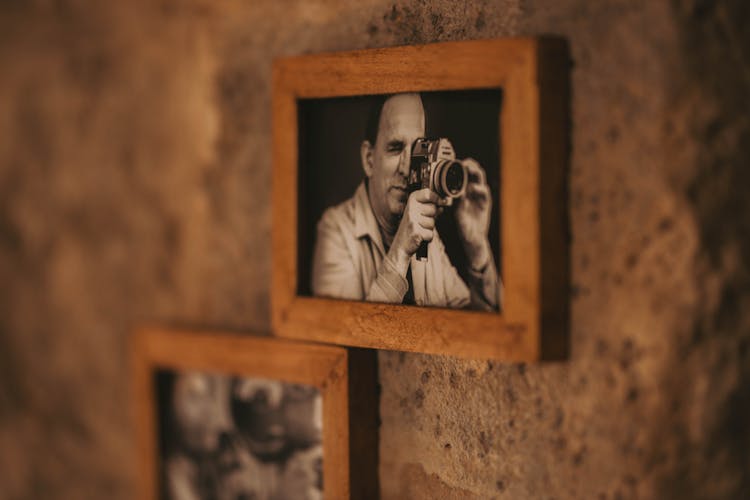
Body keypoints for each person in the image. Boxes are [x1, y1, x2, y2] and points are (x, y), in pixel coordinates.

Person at [311, 93, 501, 311]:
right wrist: (401, 252)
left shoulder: (427, 239)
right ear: (368, 159)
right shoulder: (335, 231)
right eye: (395, 148)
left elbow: (472, 334)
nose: (407, 168)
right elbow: (351, 340)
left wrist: (477, 247)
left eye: (418, 149)